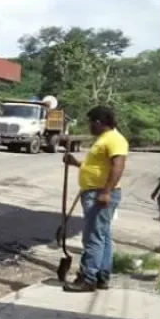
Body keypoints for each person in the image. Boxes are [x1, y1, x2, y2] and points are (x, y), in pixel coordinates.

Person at [62, 106, 129, 292]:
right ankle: (102, 276)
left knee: (92, 237)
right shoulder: (103, 139)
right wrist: (76, 163)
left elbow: (118, 166)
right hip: (94, 192)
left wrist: (106, 192)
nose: (89, 126)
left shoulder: (114, 139)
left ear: (98, 122)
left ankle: (87, 278)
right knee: (103, 236)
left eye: (90, 122)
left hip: (100, 193)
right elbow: (97, 166)